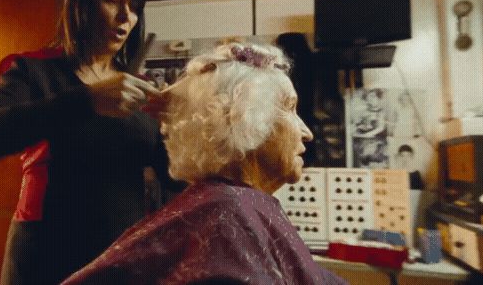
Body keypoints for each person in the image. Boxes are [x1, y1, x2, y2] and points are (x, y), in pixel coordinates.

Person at [0, 0, 181, 284]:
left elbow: (175, 177)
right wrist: (88, 99)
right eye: (112, 0)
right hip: (46, 253)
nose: (126, 17)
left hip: (122, 257)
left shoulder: (136, 89)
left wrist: (183, 127)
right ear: (81, 4)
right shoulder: (34, 70)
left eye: (134, 7)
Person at [62, 43, 347, 284]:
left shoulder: (231, 207)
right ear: (244, 117)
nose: (306, 132)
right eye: (289, 108)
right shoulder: (227, 215)